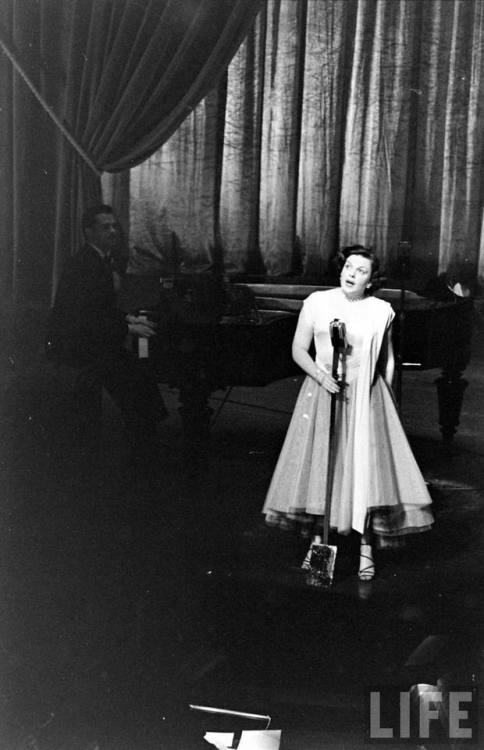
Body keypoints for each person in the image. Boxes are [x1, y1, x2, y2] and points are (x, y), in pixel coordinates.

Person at [262, 245, 434, 580]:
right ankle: (319, 550)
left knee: (365, 472)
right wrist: (321, 377)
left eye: (361, 270)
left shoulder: (381, 310)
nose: (351, 274)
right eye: (349, 267)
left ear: (371, 280)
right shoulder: (317, 302)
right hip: (323, 393)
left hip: (367, 398)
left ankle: (366, 548)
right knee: (322, 468)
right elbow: (299, 349)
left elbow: (387, 360)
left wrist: (384, 404)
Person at [46, 204, 167, 456]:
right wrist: (126, 326)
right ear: (89, 232)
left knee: (137, 373)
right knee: (136, 375)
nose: (113, 231)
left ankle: (143, 439)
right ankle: (144, 449)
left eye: (114, 226)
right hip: (78, 349)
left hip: (90, 342)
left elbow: (99, 310)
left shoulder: (97, 260)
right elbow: (86, 318)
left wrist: (129, 320)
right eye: (106, 227)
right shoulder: (85, 265)